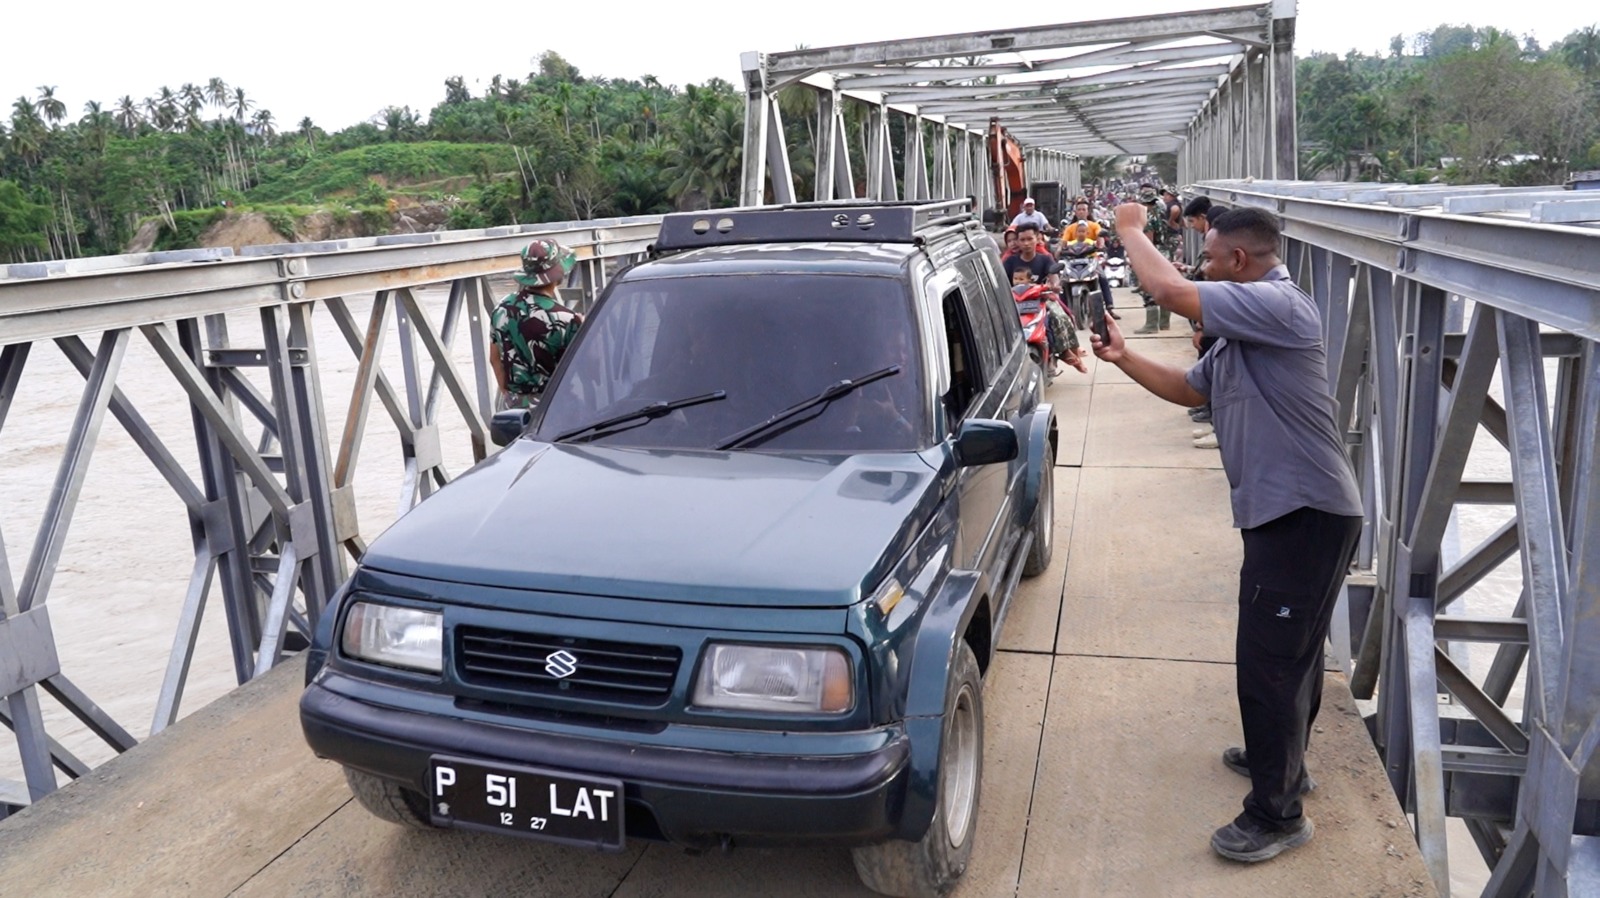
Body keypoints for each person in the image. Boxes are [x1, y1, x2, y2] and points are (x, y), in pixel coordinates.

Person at [1088, 204, 1364, 865]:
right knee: (1287, 661)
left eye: (1208, 258)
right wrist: (1125, 359)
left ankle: (1277, 814)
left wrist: (1129, 229)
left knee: (1267, 669)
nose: (1199, 267)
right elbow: (1190, 391)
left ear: (1239, 260)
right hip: (1286, 515)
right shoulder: (1243, 333)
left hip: (1304, 515)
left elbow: (1167, 291)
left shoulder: (1280, 305)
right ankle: (1282, 765)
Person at [490, 239, 582, 409]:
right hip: (554, 409)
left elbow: (494, 359)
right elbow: (589, 370)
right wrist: (585, 329)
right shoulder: (567, 319)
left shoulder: (502, 308)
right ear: (558, 274)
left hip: (514, 409)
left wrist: (509, 394)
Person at [1182, 196, 1229, 445]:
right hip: (1210, 318)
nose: (1196, 227)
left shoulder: (1222, 249)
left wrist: (1201, 327)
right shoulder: (1219, 247)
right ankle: (1212, 417)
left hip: (1211, 321)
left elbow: (1215, 289)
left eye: (1197, 221)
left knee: (1217, 371)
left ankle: (1219, 429)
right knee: (1210, 369)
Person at [1062, 197, 1121, 320]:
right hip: (1073, 261)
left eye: (1084, 209)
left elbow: (1100, 240)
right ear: (1075, 212)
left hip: (1091, 259)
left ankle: (1109, 307)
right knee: (1063, 281)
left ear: (1088, 212)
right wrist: (1058, 251)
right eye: (1079, 209)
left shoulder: (1094, 226)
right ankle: (1063, 311)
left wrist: (1100, 245)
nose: (1081, 212)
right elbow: (1063, 243)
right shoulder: (1070, 228)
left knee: (1102, 278)